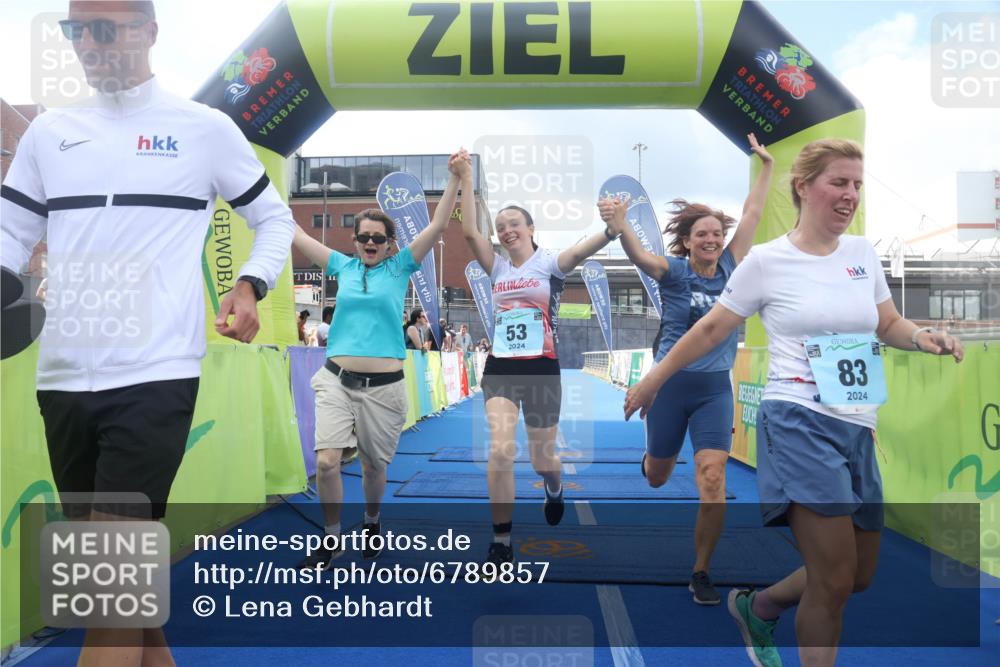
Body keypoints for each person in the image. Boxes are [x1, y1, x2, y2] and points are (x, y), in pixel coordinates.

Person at [0, 2, 295, 665]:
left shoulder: (204, 128)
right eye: (76, 29)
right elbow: (11, 230)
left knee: (106, 598)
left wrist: (250, 284)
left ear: (149, 32)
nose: (88, 43)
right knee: (115, 587)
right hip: (63, 379)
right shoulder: (49, 132)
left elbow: (274, 219)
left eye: (104, 28)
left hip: (156, 376)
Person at [622, 138, 964, 667]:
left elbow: (888, 323)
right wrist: (654, 379)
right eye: (839, 182)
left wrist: (921, 337)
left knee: (858, 575)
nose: (850, 195)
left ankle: (760, 606)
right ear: (803, 187)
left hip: (858, 424)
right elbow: (711, 328)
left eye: (856, 184)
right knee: (832, 580)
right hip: (798, 420)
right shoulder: (766, 261)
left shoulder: (862, 254)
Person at [598, 133, 773, 605]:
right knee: (658, 476)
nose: (711, 240)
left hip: (715, 390)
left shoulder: (733, 266)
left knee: (712, 475)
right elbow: (640, 257)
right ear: (689, 242)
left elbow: (753, 214)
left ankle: (701, 570)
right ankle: (651, 459)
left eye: (717, 234)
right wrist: (621, 225)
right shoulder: (675, 272)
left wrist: (767, 168)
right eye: (702, 235)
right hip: (669, 386)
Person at [294, 150, 470, 569]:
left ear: (390, 243)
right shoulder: (341, 266)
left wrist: (455, 178)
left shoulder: (401, 266)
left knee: (374, 467)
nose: (370, 243)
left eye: (378, 238)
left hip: (385, 389)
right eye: (364, 237)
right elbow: (295, 233)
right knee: (326, 462)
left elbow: (438, 225)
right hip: (335, 380)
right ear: (354, 241)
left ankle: (372, 522)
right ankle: (332, 537)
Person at [460, 165, 624, 567]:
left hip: (541, 370)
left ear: (531, 228)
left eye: (514, 224)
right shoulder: (497, 267)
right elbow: (469, 233)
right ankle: (501, 541)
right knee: (500, 449)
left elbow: (579, 252)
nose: (506, 231)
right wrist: (464, 178)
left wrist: (609, 231)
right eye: (500, 226)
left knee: (541, 461)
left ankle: (554, 485)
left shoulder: (549, 262)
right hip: (501, 369)